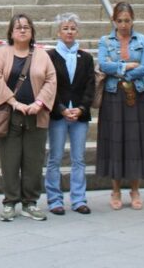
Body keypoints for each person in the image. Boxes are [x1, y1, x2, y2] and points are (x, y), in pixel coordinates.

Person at [0, 14, 56, 221]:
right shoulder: (1, 53)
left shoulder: (42, 55)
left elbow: (51, 80)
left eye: (27, 27)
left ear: (32, 31)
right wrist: (14, 103)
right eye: (18, 27)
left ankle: (30, 202)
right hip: (8, 116)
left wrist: (39, 103)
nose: (23, 30)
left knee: (33, 162)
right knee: (9, 161)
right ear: (11, 32)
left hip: (36, 116)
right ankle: (10, 202)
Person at [96, 2, 144, 210]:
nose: (124, 25)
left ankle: (135, 189)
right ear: (114, 21)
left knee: (135, 141)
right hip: (113, 94)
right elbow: (103, 65)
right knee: (115, 140)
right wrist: (127, 67)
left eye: (127, 21)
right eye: (120, 21)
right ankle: (115, 189)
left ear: (133, 20)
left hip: (137, 94)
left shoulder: (142, 40)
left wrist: (122, 73)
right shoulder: (105, 41)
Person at [44, 12, 96, 215]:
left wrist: (81, 108)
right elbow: (49, 85)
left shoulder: (86, 57)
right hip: (58, 113)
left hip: (79, 114)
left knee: (79, 158)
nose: (69, 32)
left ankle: (79, 199)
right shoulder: (50, 56)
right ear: (58, 32)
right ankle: (54, 199)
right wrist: (61, 108)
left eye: (73, 28)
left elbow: (90, 86)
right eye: (65, 28)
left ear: (77, 31)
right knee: (55, 157)